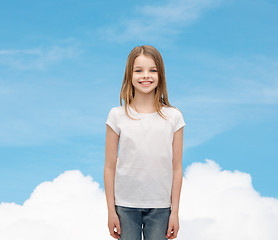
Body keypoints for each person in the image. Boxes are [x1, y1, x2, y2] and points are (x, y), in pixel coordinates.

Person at [104, 45, 186, 240]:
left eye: (152, 70)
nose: (146, 76)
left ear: (160, 75)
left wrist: (174, 212)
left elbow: (177, 168)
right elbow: (109, 166)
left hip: (161, 207)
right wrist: (110, 211)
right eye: (138, 70)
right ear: (129, 75)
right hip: (124, 206)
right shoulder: (117, 115)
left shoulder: (173, 117)